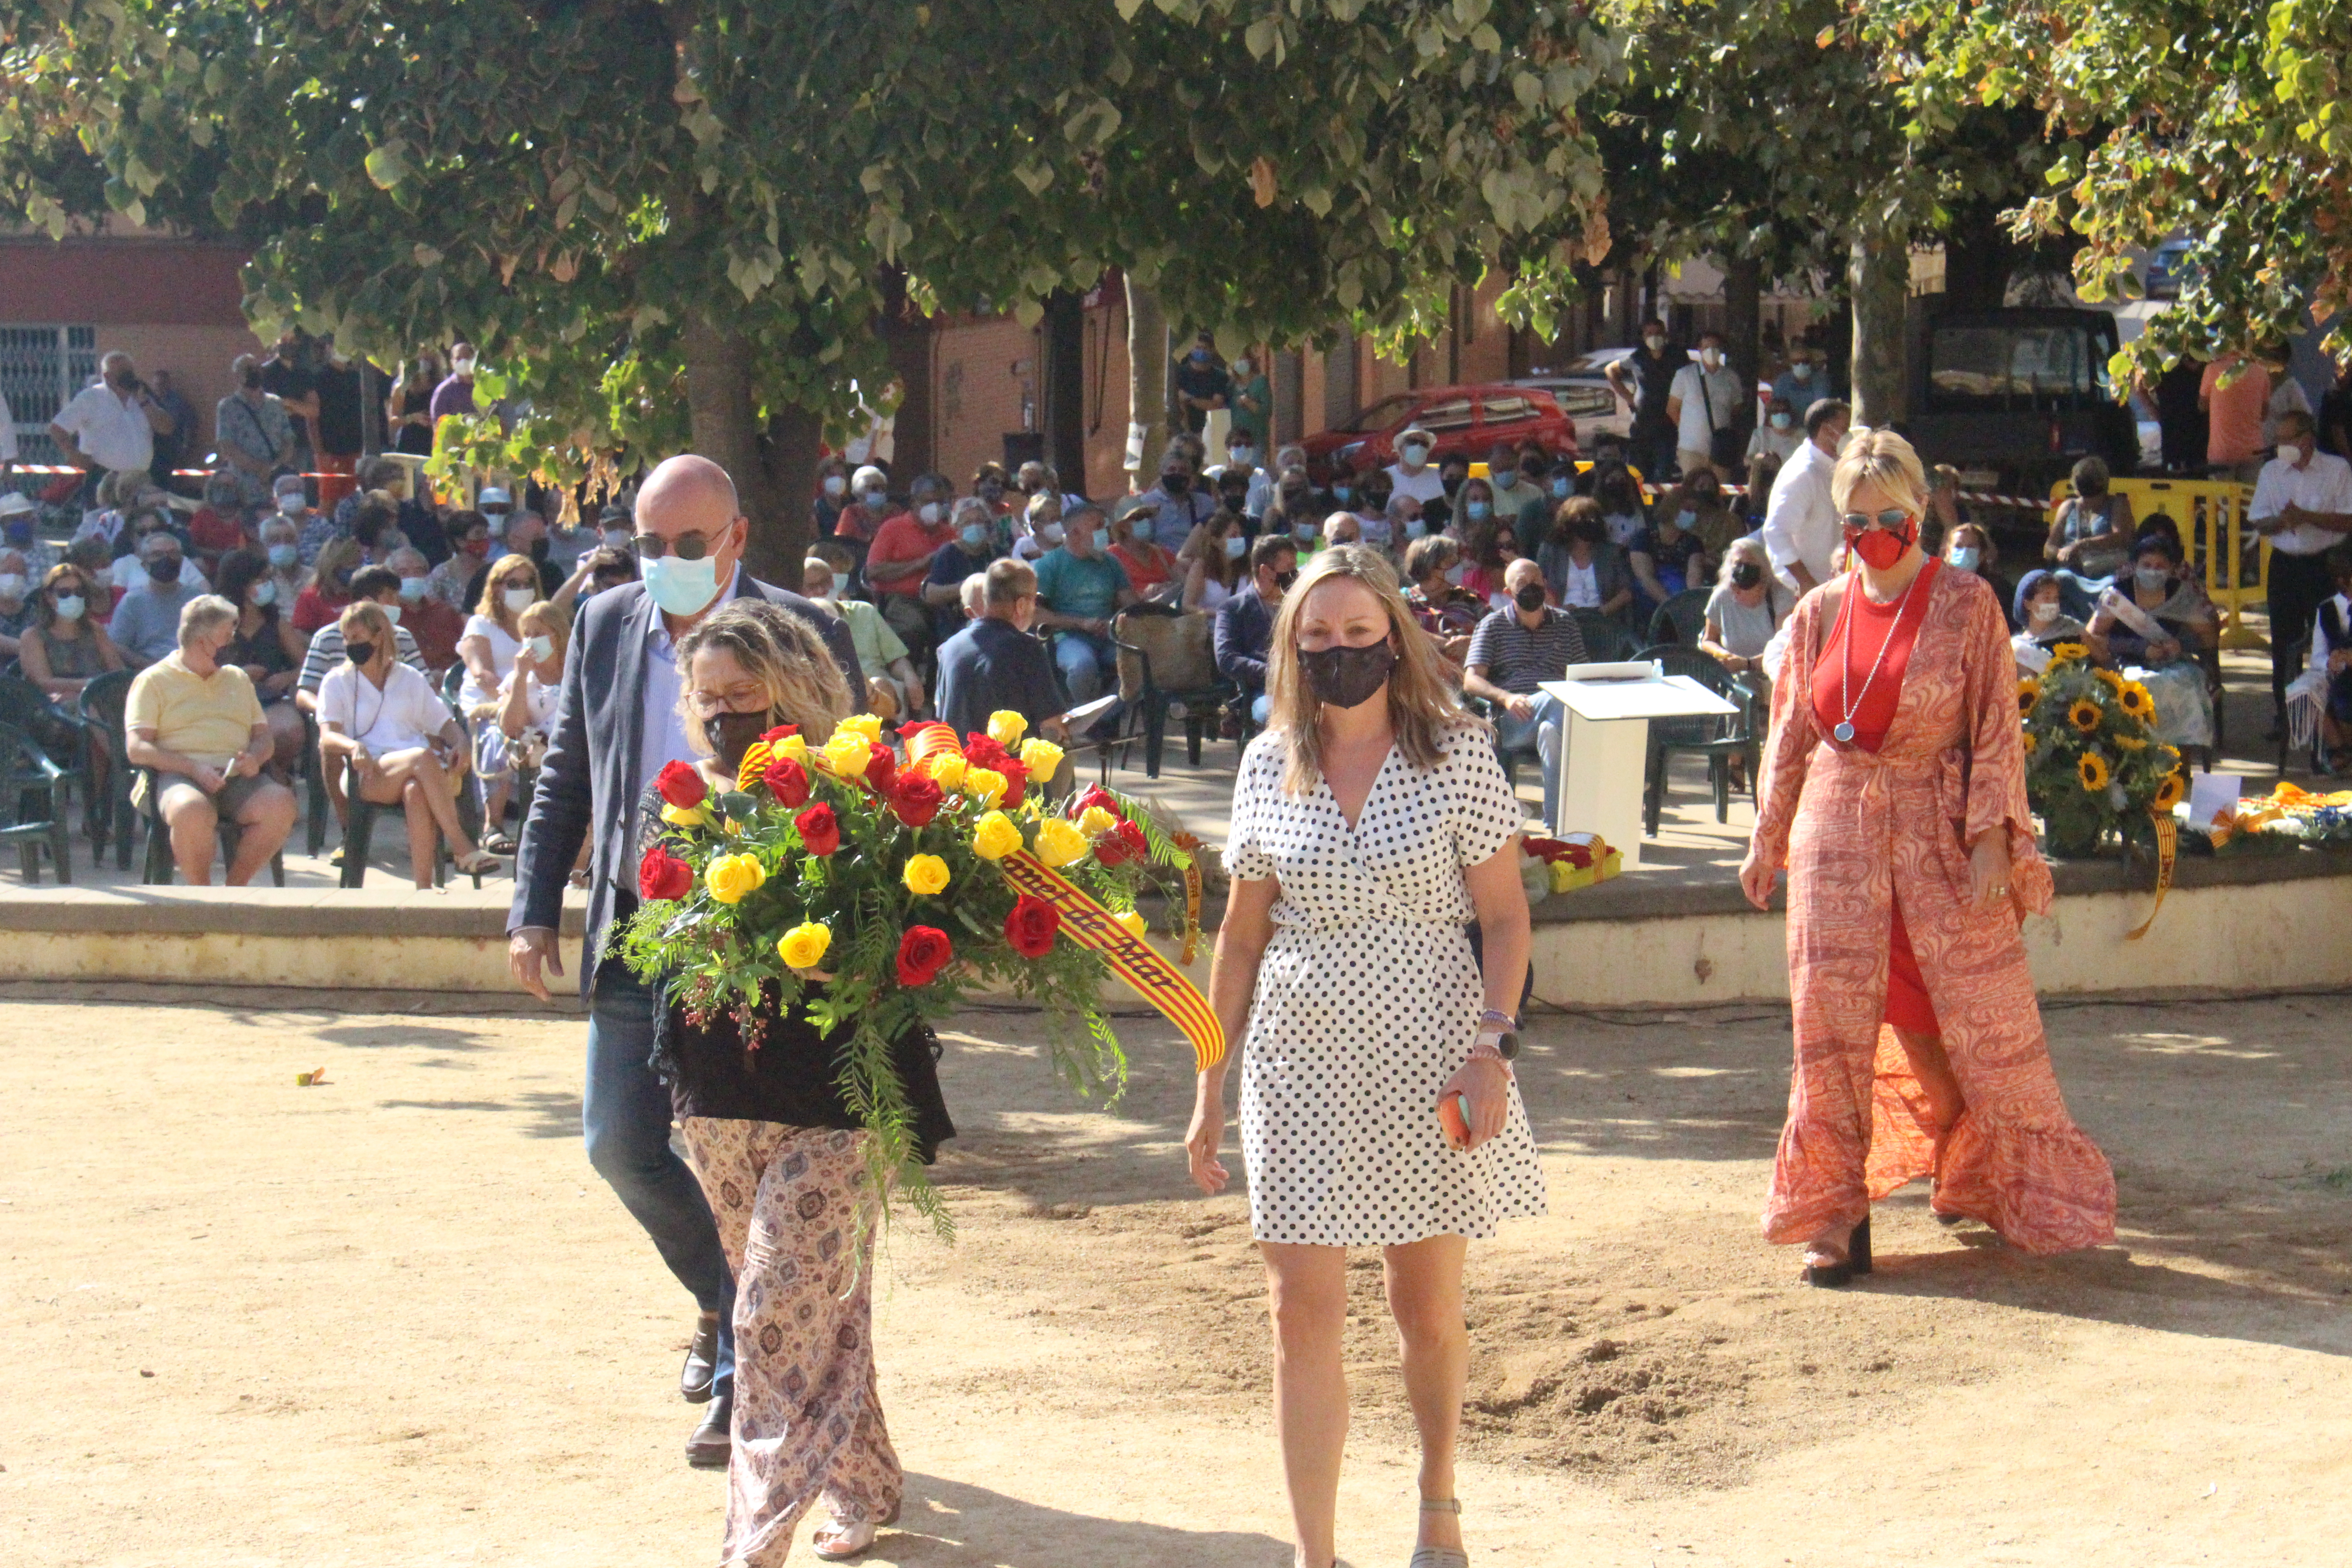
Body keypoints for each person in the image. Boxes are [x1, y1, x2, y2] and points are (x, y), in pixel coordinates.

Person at [507, 454, 862, 1471]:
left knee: (746, 1173)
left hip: (764, 949)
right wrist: (533, 911)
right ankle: (723, 1303)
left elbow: (851, 768)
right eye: (650, 544)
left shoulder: (808, 628)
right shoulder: (606, 623)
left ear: (738, 538)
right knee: (620, 1143)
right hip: (636, 926)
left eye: (688, 545)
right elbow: (569, 769)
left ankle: (742, 1370)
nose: (665, 562)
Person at [1191, 544, 1542, 1568]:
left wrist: (1492, 1048)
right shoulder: (1268, 761)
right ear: (1292, 646)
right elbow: (1240, 936)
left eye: (1357, 632)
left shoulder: (1456, 752)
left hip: (1431, 1053)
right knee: (1298, 1311)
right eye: (1319, 635)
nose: (1339, 650)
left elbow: (1506, 919)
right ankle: (1317, 1552)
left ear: (1393, 633)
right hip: (1294, 1064)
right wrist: (1208, 1078)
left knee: (1422, 1306)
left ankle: (1437, 1497)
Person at [1739, 427, 2116, 1284]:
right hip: (1834, 837)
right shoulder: (1816, 613)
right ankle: (1836, 1213)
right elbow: (1790, 736)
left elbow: (1994, 725)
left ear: (1920, 512)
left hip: (1937, 836)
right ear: (1840, 524)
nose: (1875, 531)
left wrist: (1990, 836)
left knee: (1951, 1024)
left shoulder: (1965, 604)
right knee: (1826, 1030)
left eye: (1892, 515)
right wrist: (1767, 841)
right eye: (1858, 518)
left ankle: (1970, 1159)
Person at [642, 598, 953, 1565]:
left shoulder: (865, 797)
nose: (730, 714)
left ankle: (754, 1538)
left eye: (748, 695)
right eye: (712, 700)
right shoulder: (685, 804)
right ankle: (865, 1480)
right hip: (718, 1091)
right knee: (819, 1304)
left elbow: (931, 951)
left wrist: (862, 958)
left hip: (840, 1098)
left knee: (774, 1317)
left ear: (799, 689)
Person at [315, 598, 495, 883]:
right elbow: (328, 736)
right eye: (346, 638)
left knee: (415, 791)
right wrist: (353, 746)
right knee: (421, 757)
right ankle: (461, 845)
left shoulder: (408, 677)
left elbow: (444, 723)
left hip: (419, 772)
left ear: (379, 636)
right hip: (369, 773)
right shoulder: (337, 681)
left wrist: (461, 744)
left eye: (358, 637)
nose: (351, 644)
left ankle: (422, 890)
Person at [123, 595, 299, 885]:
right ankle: (203, 897)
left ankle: (232, 891)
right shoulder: (153, 680)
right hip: (177, 776)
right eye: (227, 635)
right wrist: (193, 769)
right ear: (202, 639)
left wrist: (255, 758)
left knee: (281, 805)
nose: (234, 641)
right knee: (191, 811)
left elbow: (263, 736)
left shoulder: (237, 679)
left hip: (236, 776)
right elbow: (137, 748)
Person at [1464, 557, 1588, 826]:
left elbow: (1583, 675)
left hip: (1556, 716)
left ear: (1545, 582)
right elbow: (1471, 681)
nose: (1532, 587)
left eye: (1536, 581)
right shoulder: (1492, 626)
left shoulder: (1565, 624)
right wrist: (1505, 698)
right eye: (1523, 584)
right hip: (1512, 720)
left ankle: (1557, 825)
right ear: (1509, 593)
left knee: (1551, 733)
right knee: (1559, 698)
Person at [2249, 409, 2352, 729]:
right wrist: (2283, 521)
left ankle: (2334, 716)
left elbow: (2347, 519)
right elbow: (2259, 520)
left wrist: (2307, 516)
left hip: (2324, 564)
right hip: (2285, 565)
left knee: (2332, 639)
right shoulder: (2272, 472)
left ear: (2306, 440)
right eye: (2277, 439)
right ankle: (2286, 715)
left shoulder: (2336, 470)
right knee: (2283, 642)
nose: (2280, 446)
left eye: (2286, 439)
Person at [2086, 534, 2217, 750]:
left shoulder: (2181, 595)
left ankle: (2177, 757)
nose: (2153, 571)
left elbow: (2209, 635)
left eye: (2160, 566)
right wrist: (2139, 648)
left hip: (2171, 664)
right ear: (2134, 566)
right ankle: (2136, 753)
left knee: (2185, 683)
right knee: (2140, 685)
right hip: (2123, 663)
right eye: (2146, 565)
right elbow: (2093, 638)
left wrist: (2180, 645)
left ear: (2172, 568)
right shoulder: (2118, 596)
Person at [459, 551, 549, 836]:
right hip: (489, 705)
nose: (522, 590)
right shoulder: (480, 624)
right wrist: (512, 700)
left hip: (535, 702)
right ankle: (493, 825)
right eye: (513, 584)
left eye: (528, 583)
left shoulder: (538, 625)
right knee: (503, 739)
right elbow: (481, 674)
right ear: (497, 587)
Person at [932, 557, 1068, 741]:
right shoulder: (1027, 649)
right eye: (1035, 600)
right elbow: (1052, 727)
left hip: (957, 765)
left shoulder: (949, 648)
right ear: (1021, 605)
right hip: (1008, 767)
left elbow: (942, 718)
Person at [215, 547, 308, 773]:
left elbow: (307, 665)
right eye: (262, 579)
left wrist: (288, 676)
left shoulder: (275, 623)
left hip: (271, 700)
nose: (268, 584)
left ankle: (277, 772)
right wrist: (239, 674)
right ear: (242, 584)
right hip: (225, 703)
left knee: (290, 731)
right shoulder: (217, 623)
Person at [1032, 502, 1135, 705]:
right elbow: (1034, 614)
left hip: (1109, 636)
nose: (1104, 532)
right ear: (1075, 532)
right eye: (1097, 527)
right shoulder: (1050, 565)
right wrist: (1081, 623)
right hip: (1066, 638)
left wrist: (1115, 623)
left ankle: (1105, 716)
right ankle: (1083, 718)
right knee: (1083, 665)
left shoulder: (1111, 563)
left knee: (1139, 662)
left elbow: (1131, 606)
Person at [803, 555, 924, 721]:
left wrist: (910, 676)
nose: (821, 591)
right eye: (812, 586)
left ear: (833, 581)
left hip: (881, 693)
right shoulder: (798, 621)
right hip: (831, 696)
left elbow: (896, 658)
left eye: (825, 582)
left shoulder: (864, 612)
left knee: (878, 684)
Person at [1760, 398, 1852, 594]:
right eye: (1845, 428)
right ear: (1827, 431)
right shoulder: (1803, 473)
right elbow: (1776, 531)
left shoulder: (1832, 467)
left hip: (1831, 587)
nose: (1850, 435)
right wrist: (1805, 582)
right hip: (1801, 591)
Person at [49, 352, 173, 494]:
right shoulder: (91, 398)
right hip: (106, 481)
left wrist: (144, 402)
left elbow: (167, 428)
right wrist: (76, 457)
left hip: (141, 480)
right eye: (122, 372)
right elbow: (57, 429)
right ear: (107, 376)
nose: (128, 376)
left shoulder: (143, 396)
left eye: (130, 371)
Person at [864, 472, 956, 658]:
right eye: (928, 502)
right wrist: (919, 564)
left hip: (941, 599)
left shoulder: (950, 534)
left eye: (940, 502)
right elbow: (873, 571)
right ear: (914, 502)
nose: (935, 508)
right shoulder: (893, 528)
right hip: (902, 599)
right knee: (913, 628)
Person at [19, 561, 127, 711]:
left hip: (101, 697)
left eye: (79, 592)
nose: (73, 597)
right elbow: (43, 683)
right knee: (83, 707)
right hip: (55, 709)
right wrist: (87, 685)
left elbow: (118, 672)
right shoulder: (33, 636)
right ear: (49, 598)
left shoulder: (95, 630)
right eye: (64, 593)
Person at [1215, 534, 1298, 725]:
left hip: (1306, 688)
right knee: (1278, 713)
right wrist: (1274, 672)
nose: (1295, 575)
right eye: (1289, 570)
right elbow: (1227, 659)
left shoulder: (1301, 606)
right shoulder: (1234, 609)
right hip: (1263, 692)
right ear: (1265, 571)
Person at [2043, 455, 2135, 619]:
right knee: (2058, 580)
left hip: (2107, 574)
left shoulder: (2117, 504)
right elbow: (2049, 547)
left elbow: (2121, 536)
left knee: (2114, 587)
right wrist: (2062, 554)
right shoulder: (2068, 507)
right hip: (2072, 572)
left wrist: (2081, 544)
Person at [1700, 537, 1793, 686]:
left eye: (1749, 564)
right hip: (1734, 676)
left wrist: (1747, 664)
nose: (1742, 570)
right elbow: (1708, 640)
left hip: (1772, 673)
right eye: (1737, 564)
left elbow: (1786, 648)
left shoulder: (1780, 597)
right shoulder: (1722, 596)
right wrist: (1723, 654)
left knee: (1747, 683)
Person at [109, 529, 207, 666]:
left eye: (173, 553)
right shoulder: (132, 602)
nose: (166, 559)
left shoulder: (197, 598)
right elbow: (118, 646)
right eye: (157, 555)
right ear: (145, 565)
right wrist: (153, 667)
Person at [916, 496, 1003, 645]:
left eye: (979, 521)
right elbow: (931, 594)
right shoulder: (948, 553)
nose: (974, 526)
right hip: (957, 623)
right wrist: (968, 587)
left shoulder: (997, 553)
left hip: (995, 620)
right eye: (968, 523)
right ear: (958, 529)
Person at [1535, 497, 1635, 621]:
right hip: (1561, 621)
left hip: (1603, 623)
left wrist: (1603, 612)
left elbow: (1626, 592)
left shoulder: (1610, 553)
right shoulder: (1550, 552)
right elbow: (1538, 590)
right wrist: (1559, 609)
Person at [1608, 318, 1685, 478]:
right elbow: (1611, 370)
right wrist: (1629, 397)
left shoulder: (1677, 357)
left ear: (1665, 335)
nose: (1654, 337)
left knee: (1662, 476)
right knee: (1639, 476)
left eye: (1658, 333)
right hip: (1642, 428)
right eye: (1649, 334)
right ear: (1643, 337)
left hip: (1667, 428)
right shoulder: (1638, 358)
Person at [1668, 330, 1747, 477]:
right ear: (1699, 349)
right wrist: (1688, 429)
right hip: (1691, 450)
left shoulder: (1731, 378)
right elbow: (1672, 409)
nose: (1711, 351)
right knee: (1693, 493)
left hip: (1721, 450)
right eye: (1707, 347)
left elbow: (1736, 410)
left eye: (1715, 347)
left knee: (1721, 492)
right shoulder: (1685, 375)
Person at [2304, 544, 2352, 767]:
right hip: (2338, 676)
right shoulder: (2326, 609)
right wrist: (2331, 661)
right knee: (2307, 693)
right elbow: (2317, 657)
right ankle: (2339, 750)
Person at [388, 547, 463, 676]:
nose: (413, 577)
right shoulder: (389, 617)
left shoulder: (445, 612)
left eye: (419, 571)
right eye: (403, 573)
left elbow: (465, 656)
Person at [1628, 497, 1711, 613]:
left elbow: (1694, 574)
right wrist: (1671, 605)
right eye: (1688, 510)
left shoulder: (1693, 542)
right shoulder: (1643, 537)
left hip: (1681, 592)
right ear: (1672, 510)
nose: (1693, 515)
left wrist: (1693, 603)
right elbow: (1645, 577)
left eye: (1695, 512)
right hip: (1648, 592)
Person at [2200, 351, 2272, 482]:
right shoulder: (2261, 371)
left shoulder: (2212, 369)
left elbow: (2202, 405)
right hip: (2253, 450)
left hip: (2222, 451)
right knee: (2250, 499)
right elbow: (2264, 414)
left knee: (2221, 501)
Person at [2009, 570, 2090, 674]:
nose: (2053, 604)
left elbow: (2103, 660)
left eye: (2056, 598)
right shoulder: (2020, 648)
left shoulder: (2071, 628)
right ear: (2028, 604)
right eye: (2047, 598)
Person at [1137, 451, 1218, 553]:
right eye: (1172, 469)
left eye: (1183, 470)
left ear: (1191, 475)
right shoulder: (1145, 504)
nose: (1177, 474)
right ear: (1162, 473)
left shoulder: (1205, 503)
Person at [1108, 497, 1183, 604]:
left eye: (1147, 517)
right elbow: (1109, 596)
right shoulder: (1112, 556)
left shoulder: (1161, 553)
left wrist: (1168, 586)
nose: (1146, 521)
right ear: (1123, 527)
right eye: (1139, 518)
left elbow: (1185, 584)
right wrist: (1143, 594)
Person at [1941, 522, 2014, 630]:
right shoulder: (1935, 585)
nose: (1964, 551)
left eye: (1971, 547)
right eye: (1959, 546)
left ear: (1982, 554)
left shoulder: (1997, 589)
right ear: (1948, 552)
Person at [291, 534, 363, 637]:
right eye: (352, 564)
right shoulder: (311, 596)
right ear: (334, 566)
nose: (357, 569)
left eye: (359, 564)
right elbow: (301, 635)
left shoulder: (363, 592)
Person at [1181, 507, 1251, 613]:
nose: (1239, 539)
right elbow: (1187, 606)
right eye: (1233, 536)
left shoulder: (1248, 565)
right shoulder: (1201, 567)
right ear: (1215, 541)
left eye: (1240, 534)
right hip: (1208, 627)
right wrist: (1219, 614)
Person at [428, 511, 494, 611]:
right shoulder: (442, 575)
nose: (485, 538)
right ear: (460, 541)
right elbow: (431, 609)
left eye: (486, 533)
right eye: (478, 534)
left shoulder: (494, 570)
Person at [1173, 330, 1230, 435]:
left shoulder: (1220, 377)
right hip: (1182, 432)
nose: (1201, 352)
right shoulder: (1179, 374)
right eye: (1198, 348)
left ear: (1212, 351)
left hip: (1212, 432)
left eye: (1205, 349)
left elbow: (1216, 406)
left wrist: (1189, 399)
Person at [388, 353, 441, 457]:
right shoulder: (402, 388)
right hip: (410, 444)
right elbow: (393, 421)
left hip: (433, 442)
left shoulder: (440, 385)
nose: (423, 358)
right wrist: (413, 418)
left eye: (426, 353)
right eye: (419, 354)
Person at [1459, 524, 1521, 612]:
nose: (1505, 551)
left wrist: (1521, 568)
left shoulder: (1525, 577)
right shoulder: (1472, 581)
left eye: (1510, 545)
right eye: (1499, 547)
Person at [1383, 426, 1446, 509]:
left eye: (1424, 444)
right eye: (1412, 442)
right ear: (1400, 448)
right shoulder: (1384, 478)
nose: (1418, 447)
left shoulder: (1441, 477)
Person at [1227, 350, 1271, 448]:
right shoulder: (1231, 385)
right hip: (1236, 440)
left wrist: (1248, 402)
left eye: (1242, 358)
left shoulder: (1261, 382)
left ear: (1250, 360)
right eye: (1236, 359)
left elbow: (1266, 411)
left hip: (1256, 439)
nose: (1239, 362)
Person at [430, 343, 480, 426]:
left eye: (467, 357)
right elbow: (438, 425)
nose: (463, 361)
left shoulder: (482, 388)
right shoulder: (444, 391)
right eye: (458, 359)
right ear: (452, 363)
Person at [1747, 394, 1802, 464]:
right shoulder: (1760, 434)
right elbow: (1748, 460)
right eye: (1776, 412)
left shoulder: (1801, 436)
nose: (1781, 415)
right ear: (1769, 418)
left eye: (1784, 411)